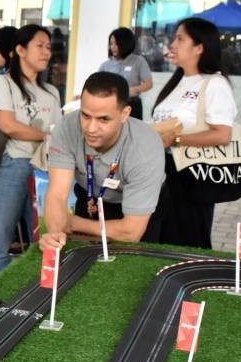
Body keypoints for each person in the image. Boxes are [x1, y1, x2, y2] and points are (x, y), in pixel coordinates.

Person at [39, 72, 165, 251]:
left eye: (103, 119)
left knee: (133, 268)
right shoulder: (66, 127)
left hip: (137, 207)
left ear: (124, 114)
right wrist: (54, 233)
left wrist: (72, 223)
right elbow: (57, 194)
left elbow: (131, 232)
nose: (91, 128)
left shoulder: (145, 146)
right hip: (90, 200)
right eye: (85, 115)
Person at [148, 18, 236, 249]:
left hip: (192, 175)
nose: (173, 44)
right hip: (162, 171)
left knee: (186, 240)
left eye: (180, 38)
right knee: (159, 237)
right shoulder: (178, 81)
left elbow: (222, 135)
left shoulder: (214, 84)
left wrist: (175, 140)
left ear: (199, 47)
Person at [0, 24, 61, 279]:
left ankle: (37, 299)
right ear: (20, 50)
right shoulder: (1, 84)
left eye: (48, 47)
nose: (46, 52)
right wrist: (46, 135)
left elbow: (58, 132)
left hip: (45, 171)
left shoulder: (51, 92)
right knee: (0, 243)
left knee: (45, 238)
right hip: (11, 167)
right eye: (39, 46)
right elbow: (8, 126)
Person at [99, 27, 153, 120]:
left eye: (116, 43)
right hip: (111, 105)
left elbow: (149, 84)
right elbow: (97, 86)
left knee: (133, 132)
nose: (113, 47)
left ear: (125, 43)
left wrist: (135, 90)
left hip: (132, 105)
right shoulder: (105, 65)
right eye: (111, 44)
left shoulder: (138, 61)